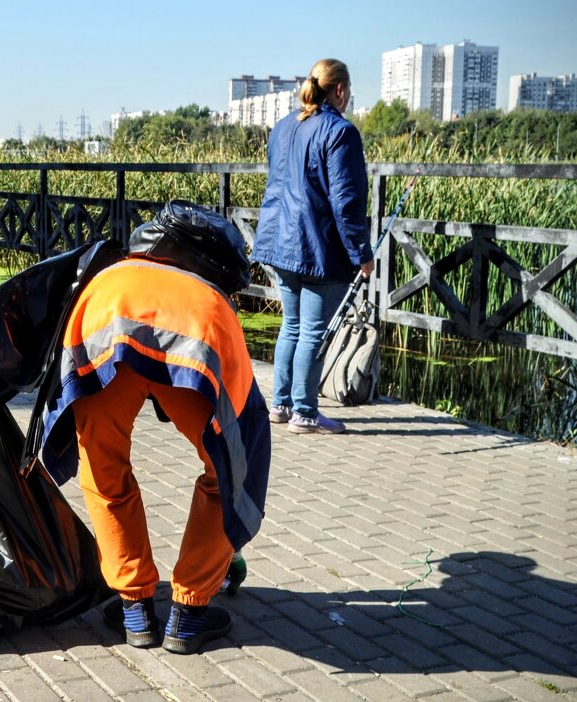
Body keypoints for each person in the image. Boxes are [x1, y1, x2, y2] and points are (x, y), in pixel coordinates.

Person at [39, 201, 271, 655]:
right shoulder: (211, 297)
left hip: (104, 323)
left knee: (103, 471)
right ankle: (188, 616)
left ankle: (134, 611)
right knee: (226, 471)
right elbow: (244, 438)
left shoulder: (113, 270)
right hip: (198, 338)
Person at [251, 58, 374, 435]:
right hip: (318, 248)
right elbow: (346, 201)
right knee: (312, 333)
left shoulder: (284, 126)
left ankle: (281, 406)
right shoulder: (341, 133)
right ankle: (305, 413)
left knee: (291, 326)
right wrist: (362, 254)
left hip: (278, 241)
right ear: (339, 89)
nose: (349, 96)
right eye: (349, 89)